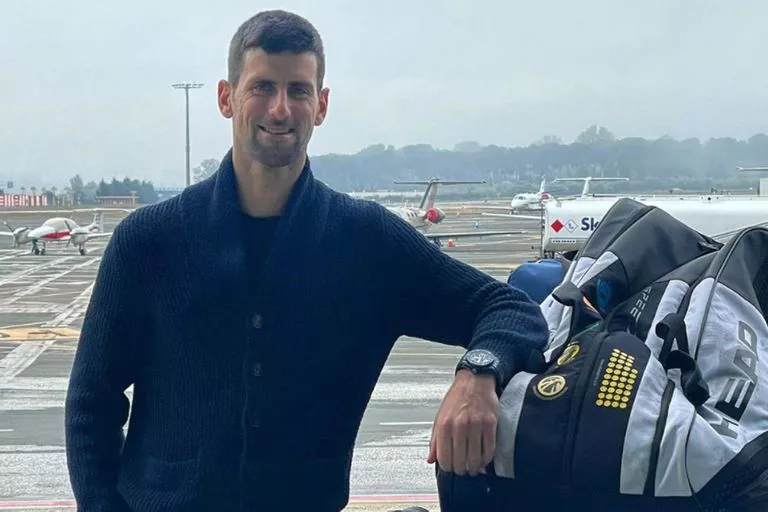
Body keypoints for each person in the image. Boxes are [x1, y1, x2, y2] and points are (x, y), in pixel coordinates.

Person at [64, 9, 549, 512]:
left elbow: (510, 309)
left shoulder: (366, 242)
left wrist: (478, 373)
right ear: (226, 98)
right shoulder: (148, 242)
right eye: (262, 87)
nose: (280, 109)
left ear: (321, 105)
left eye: (298, 90)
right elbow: (91, 403)